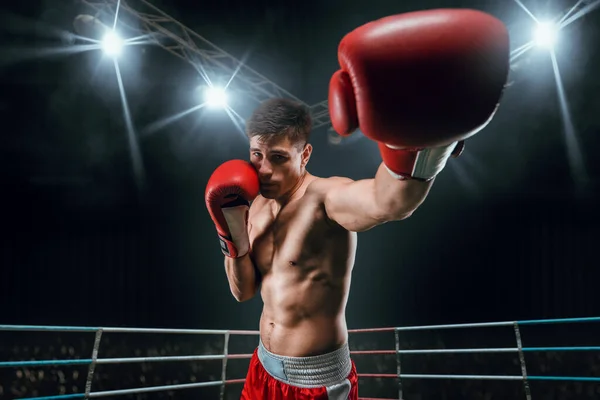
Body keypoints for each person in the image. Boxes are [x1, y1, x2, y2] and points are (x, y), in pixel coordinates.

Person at [205, 9, 510, 400]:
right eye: (256, 155)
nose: (262, 170)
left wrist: (421, 144)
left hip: (315, 382)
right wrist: (229, 235)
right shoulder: (253, 206)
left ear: (305, 155)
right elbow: (243, 291)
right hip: (262, 367)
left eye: (278, 157)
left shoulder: (326, 199)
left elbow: (391, 201)